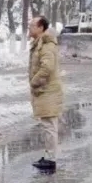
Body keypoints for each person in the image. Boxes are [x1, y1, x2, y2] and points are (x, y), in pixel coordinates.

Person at [28, 15, 63, 171]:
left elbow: (47, 68)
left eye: (32, 26)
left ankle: (51, 160)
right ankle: (49, 156)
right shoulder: (41, 44)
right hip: (45, 91)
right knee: (48, 125)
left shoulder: (46, 46)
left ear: (41, 28)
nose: (29, 28)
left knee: (49, 126)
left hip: (47, 91)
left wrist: (34, 81)